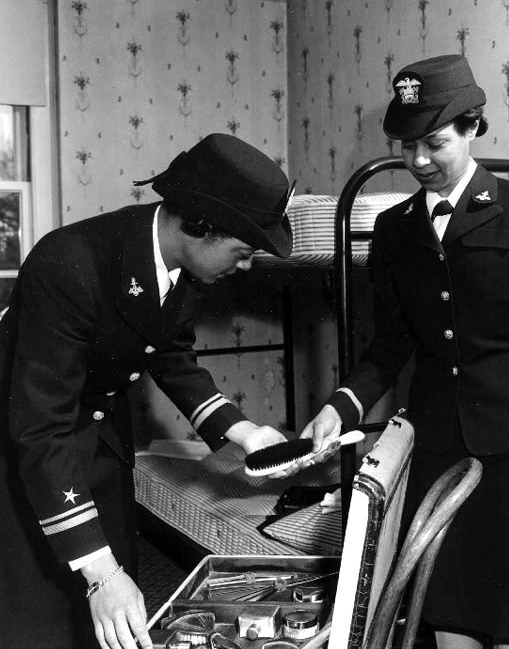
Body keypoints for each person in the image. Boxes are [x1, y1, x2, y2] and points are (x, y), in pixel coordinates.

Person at [298, 55, 509, 648]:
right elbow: (391, 343)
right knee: (446, 610)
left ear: (473, 127)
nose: (419, 161)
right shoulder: (394, 228)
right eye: (406, 146)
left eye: (434, 143)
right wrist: (343, 406)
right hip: (435, 446)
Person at [0, 133, 295, 649]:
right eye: (244, 251)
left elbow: (173, 356)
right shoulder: (68, 263)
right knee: (42, 619)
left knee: (118, 620)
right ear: (200, 226)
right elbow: (41, 428)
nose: (246, 266)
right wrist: (100, 574)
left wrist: (246, 434)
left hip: (98, 442)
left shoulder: (179, 264)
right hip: (25, 454)